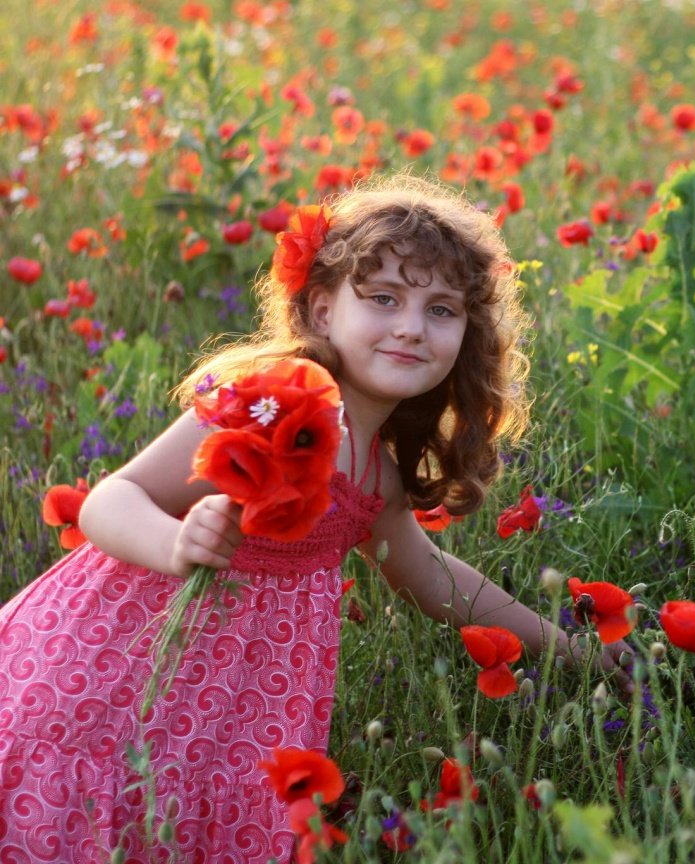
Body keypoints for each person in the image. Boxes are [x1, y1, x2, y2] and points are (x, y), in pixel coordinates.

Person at [0, 174, 624, 863]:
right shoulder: (268, 402)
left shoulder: (377, 471)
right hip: (106, 676)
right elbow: (106, 502)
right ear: (322, 310)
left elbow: (432, 576)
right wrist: (176, 542)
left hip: (233, 714)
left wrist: (568, 647)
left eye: (441, 310)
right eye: (383, 299)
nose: (412, 327)